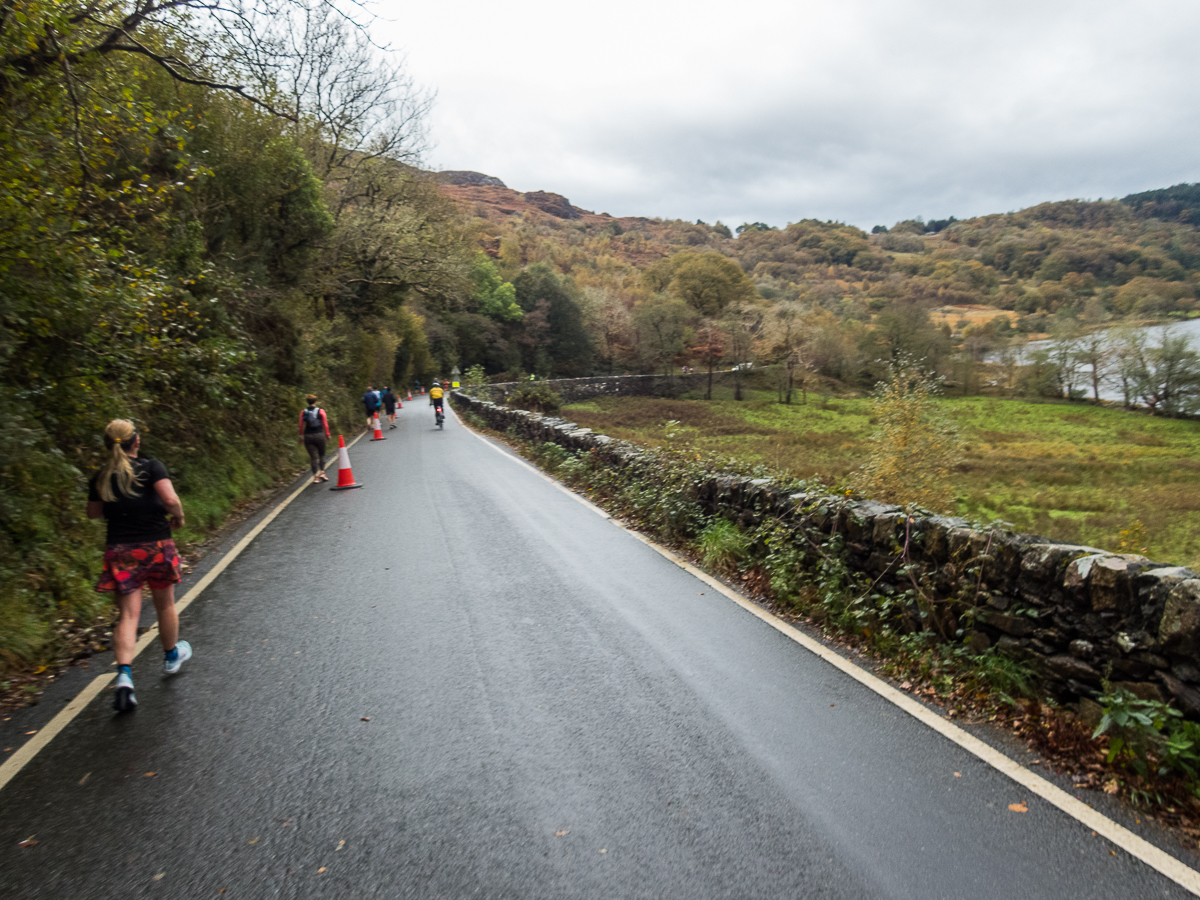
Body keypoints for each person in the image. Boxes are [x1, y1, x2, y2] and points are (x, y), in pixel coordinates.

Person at [86, 419, 191, 712]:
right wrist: (179, 517)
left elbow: (93, 513)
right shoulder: (152, 467)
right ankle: (171, 657)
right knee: (165, 606)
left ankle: (124, 677)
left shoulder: (100, 476)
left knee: (128, 616)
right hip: (157, 546)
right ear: (137, 442)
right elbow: (169, 498)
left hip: (120, 551)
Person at [298, 394, 331, 483]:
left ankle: (315, 477)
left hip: (308, 436)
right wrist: (327, 435)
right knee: (322, 455)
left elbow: (301, 425)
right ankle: (322, 473)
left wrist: (301, 436)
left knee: (313, 457)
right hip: (319, 435)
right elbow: (325, 424)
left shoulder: (303, 412)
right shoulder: (320, 411)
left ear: (307, 402)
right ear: (315, 402)